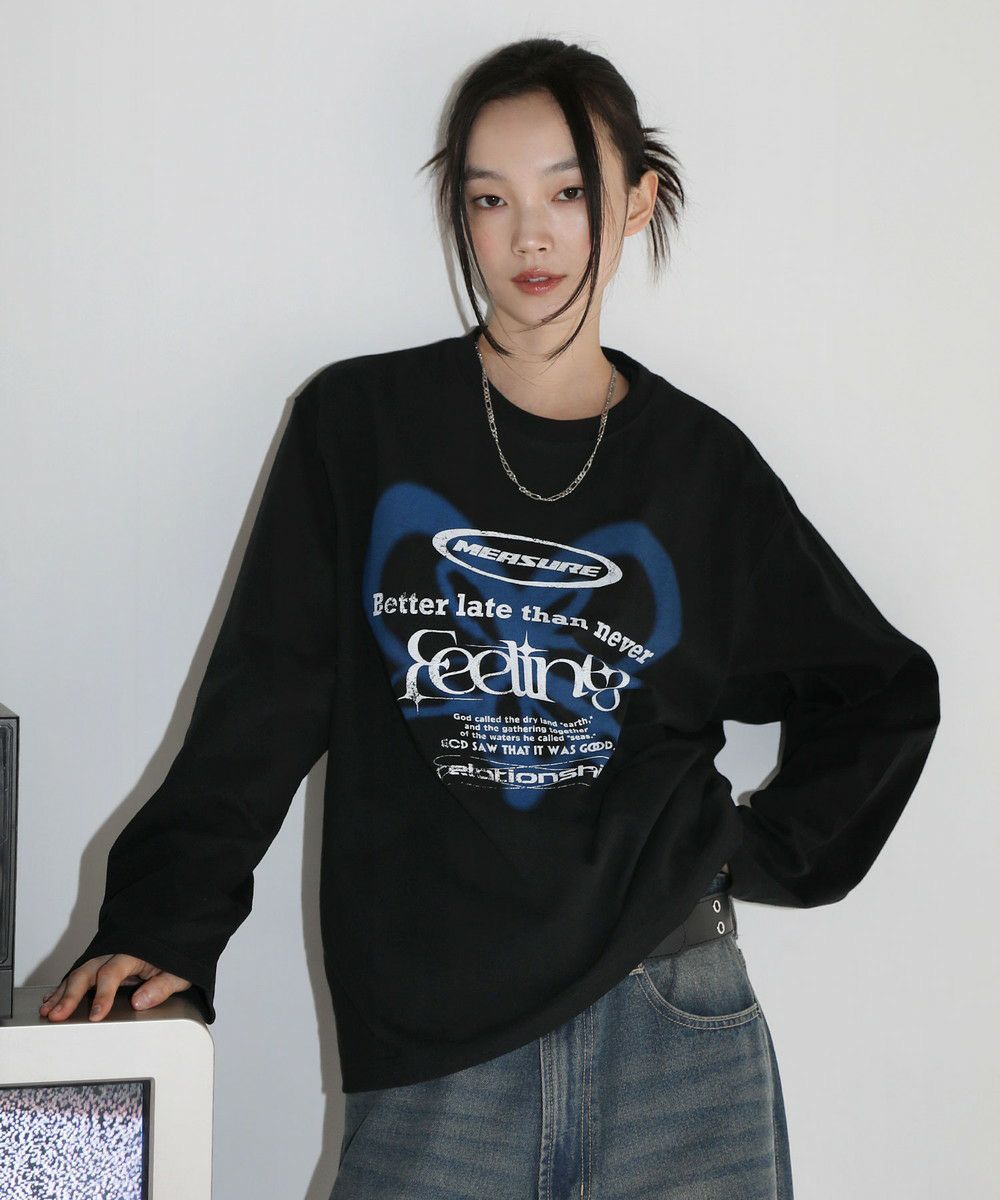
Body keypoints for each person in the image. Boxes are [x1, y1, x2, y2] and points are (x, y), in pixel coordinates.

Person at [41, 37, 940, 1199]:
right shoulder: (361, 427)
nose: (529, 238)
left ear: (635, 203)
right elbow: (264, 702)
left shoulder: (700, 471)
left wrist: (741, 854)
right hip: (437, 1052)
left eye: (568, 193)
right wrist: (160, 924)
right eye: (489, 199)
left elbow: (875, 690)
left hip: (676, 1030)